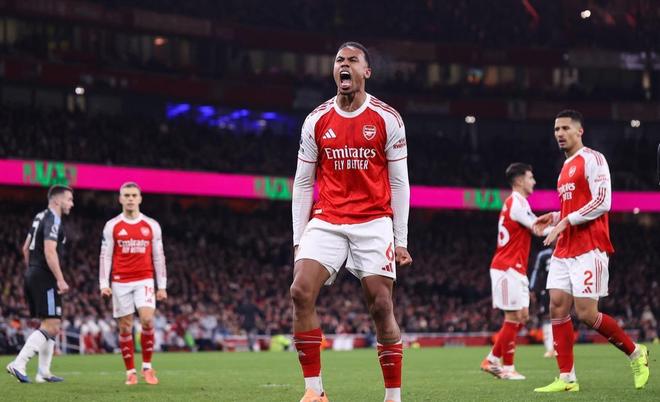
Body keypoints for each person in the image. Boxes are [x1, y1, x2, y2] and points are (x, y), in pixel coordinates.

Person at [291, 41, 412, 402]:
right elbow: (303, 183)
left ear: (366, 71)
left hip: (373, 221)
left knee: (381, 305)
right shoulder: (316, 120)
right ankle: (315, 391)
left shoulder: (387, 118)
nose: (344, 64)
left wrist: (401, 239)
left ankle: (393, 397)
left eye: (352, 60)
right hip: (327, 218)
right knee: (299, 291)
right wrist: (298, 240)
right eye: (339, 60)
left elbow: (399, 183)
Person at [533, 110, 650, 392]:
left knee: (586, 313)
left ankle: (636, 353)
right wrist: (554, 215)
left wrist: (564, 222)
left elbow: (603, 201)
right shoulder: (564, 168)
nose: (559, 134)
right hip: (565, 247)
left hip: (589, 245)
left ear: (579, 131)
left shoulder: (593, 159)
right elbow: (573, 206)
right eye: (556, 129)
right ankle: (567, 378)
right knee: (557, 306)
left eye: (565, 128)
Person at [480, 163, 551, 380]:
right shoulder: (516, 203)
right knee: (513, 317)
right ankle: (501, 364)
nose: (534, 181)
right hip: (506, 267)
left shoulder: (520, 203)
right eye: (530, 177)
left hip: (516, 268)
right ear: (519, 180)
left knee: (522, 316)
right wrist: (563, 228)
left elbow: (535, 224)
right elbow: (537, 228)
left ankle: (498, 362)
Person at [99, 182, 167, 385]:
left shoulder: (151, 225)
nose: (130, 198)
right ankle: (130, 372)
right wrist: (104, 283)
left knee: (147, 320)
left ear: (140, 198)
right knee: (125, 327)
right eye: (126, 195)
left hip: (144, 279)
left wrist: (162, 286)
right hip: (120, 281)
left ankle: (147, 367)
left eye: (133, 195)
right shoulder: (112, 225)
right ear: (120, 199)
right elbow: (105, 256)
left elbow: (159, 256)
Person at [6, 185, 74, 383]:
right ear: (57, 200)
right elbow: (50, 251)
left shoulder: (39, 216)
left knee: (52, 323)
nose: (72, 204)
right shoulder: (53, 219)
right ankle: (18, 363)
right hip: (45, 276)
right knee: (51, 325)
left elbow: (25, 248)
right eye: (69, 199)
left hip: (34, 273)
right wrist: (59, 278)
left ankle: (44, 372)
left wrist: (32, 270)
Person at [528, 247, 556, 358]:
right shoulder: (543, 255)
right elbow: (536, 272)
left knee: (561, 316)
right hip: (546, 290)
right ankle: (550, 348)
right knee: (547, 317)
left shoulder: (567, 250)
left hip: (562, 289)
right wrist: (532, 289)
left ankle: (558, 347)